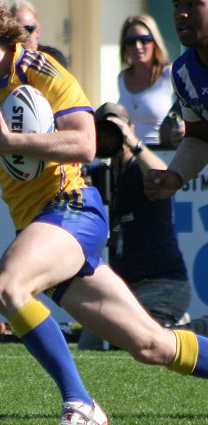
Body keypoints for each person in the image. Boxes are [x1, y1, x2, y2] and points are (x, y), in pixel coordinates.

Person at [0, 1, 208, 424]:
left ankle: (81, 403)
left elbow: (85, 144)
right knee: (151, 345)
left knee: (6, 287)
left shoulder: (43, 72)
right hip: (39, 227)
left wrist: (15, 144)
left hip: (74, 209)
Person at [78, 102, 191, 350]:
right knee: (90, 345)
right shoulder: (98, 174)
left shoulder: (140, 168)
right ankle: (170, 328)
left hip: (160, 283)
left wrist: (132, 141)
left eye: (115, 127)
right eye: (102, 130)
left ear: (130, 127)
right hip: (121, 289)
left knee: (143, 345)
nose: (110, 136)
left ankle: (190, 329)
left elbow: (163, 177)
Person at [144, 0, 208, 337]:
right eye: (175, 5)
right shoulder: (183, 72)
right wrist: (175, 175)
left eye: (192, 3)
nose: (181, 13)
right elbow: (200, 137)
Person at [118, 14, 176, 146]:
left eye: (144, 40)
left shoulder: (169, 74)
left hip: (163, 155)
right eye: (131, 41)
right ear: (124, 46)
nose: (137, 46)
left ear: (155, 42)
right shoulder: (122, 78)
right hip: (131, 157)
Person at [9, 0, 68, 67]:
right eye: (16, 31)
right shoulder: (7, 59)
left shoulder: (53, 58)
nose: (21, 35)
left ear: (37, 31)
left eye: (26, 29)